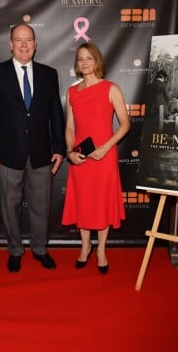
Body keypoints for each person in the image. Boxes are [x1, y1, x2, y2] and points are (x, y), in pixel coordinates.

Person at [0, 23, 66, 273]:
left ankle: (40, 249)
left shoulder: (49, 74)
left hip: (42, 153)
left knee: (41, 206)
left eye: (29, 40)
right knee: (10, 206)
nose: (24, 45)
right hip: (6, 154)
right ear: (10, 45)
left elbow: (56, 115)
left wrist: (59, 147)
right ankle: (15, 250)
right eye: (19, 40)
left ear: (36, 44)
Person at [62, 43, 130, 274]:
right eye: (80, 59)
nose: (84, 63)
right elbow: (70, 127)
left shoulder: (111, 88)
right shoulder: (72, 92)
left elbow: (125, 124)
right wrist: (70, 152)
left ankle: (101, 249)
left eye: (89, 58)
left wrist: (105, 147)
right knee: (83, 201)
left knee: (101, 202)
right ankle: (85, 246)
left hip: (104, 156)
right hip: (80, 156)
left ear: (97, 61)